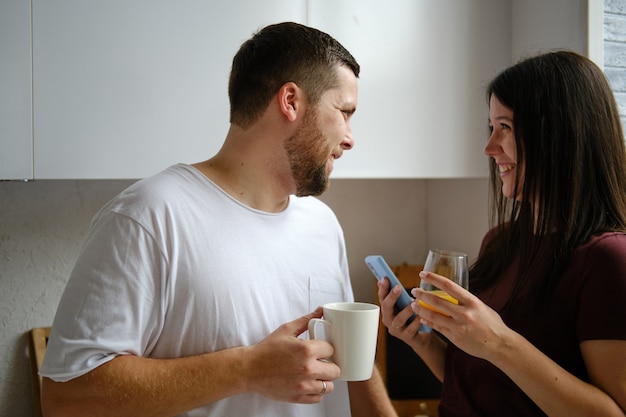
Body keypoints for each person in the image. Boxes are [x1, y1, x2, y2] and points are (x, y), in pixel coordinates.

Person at [40, 21, 397, 417]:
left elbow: (351, 368)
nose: (350, 137)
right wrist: (247, 370)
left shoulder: (323, 225)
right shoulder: (149, 217)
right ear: (291, 101)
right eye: (344, 112)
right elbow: (64, 397)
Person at [378, 50, 626, 417]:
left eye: (505, 128)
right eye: (490, 127)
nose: (489, 147)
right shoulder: (500, 242)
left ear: (558, 135)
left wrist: (500, 343)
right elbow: (479, 386)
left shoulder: (608, 260)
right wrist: (420, 341)